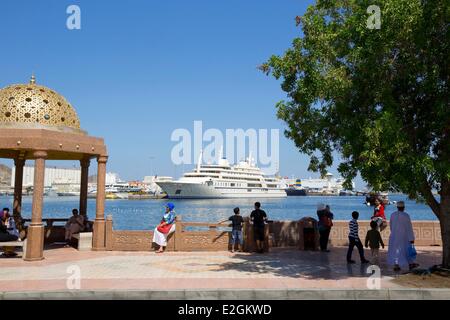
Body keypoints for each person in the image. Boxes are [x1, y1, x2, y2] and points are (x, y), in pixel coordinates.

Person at [387, 201, 418, 271]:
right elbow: (409, 227)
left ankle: (396, 265)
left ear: (397, 207)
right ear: (404, 207)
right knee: (406, 250)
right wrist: (411, 238)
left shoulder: (393, 215)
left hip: (394, 236)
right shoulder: (406, 215)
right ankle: (410, 264)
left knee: (395, 251)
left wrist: (394, 233)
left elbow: (391, 226)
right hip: (404, 237)